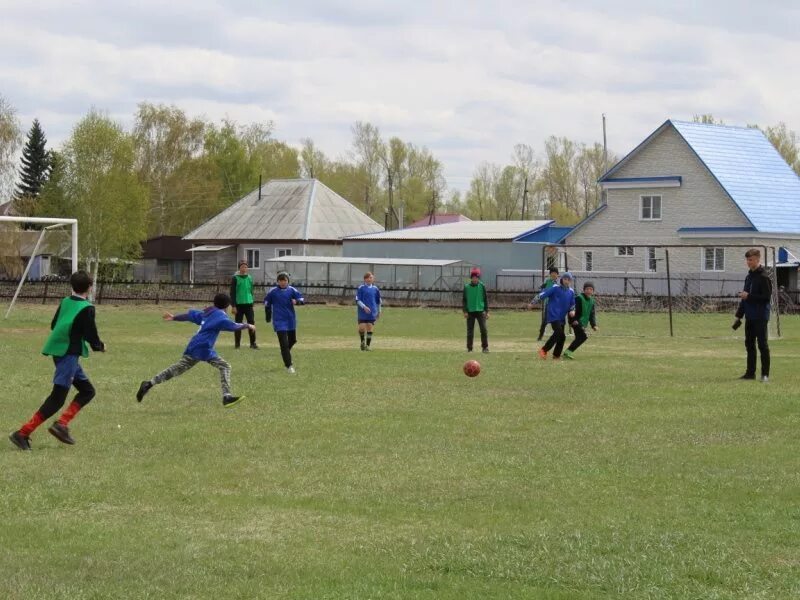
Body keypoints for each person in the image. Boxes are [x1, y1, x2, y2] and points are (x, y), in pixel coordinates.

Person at [9, 270, 105, 450]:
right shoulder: (87, 308)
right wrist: (99, 346)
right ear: (90, 288)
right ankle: (22, 433)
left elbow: (55, 324)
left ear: (72, 286)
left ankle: (62, 424)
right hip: (68, 355)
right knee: (57, 398)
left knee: (87, 391)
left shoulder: (65, 301)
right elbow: (91, 335)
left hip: (60, 352)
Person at [136, 293, 252, 407]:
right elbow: (232, 325)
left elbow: (189, 316)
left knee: (178, 369)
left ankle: (149, 384)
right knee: (224, 366)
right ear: (227, 306)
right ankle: (227, 397)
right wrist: (248, 325)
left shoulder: (208, 313)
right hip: (202, 347)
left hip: (198, 346)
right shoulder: (220, 315)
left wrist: (174, 317)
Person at [733, 248, 772, 382]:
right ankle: (750, 374)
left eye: (751, 260)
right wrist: (739, 316)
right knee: (749, 344)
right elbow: (745, 298)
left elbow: (766, 298)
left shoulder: (764, 277)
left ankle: (765, 375)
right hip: (749, 316)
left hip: (760, 316)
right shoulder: (749, 277)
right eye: (747, 260)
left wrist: (748, 296)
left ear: (757, 259)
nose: (748, 262)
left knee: (762, 345)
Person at [264, 272, 305, 374]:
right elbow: (267, 303)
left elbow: (301, 298)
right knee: (284, 343)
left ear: (288, 281)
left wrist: (297, 302)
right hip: (279, 320)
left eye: (284, 280)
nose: (282, 282)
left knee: (293, 340)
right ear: (278, 281)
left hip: (290, 320)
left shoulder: (292, 290)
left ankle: (284, 352)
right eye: (280, 280)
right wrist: (268, 316)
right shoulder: (273, 291)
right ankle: (289, 365)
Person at [531, 271, 575, 360]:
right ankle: (544, 350)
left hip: (562, 317)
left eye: (568, 280)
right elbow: (543, 294)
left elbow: (572, 304)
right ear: (562, 279)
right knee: (558, 332)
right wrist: (533, 302)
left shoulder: (571, 292)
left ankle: (556, 355)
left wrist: (572, 310)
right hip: (553, 314)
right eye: (565, 279)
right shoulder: (555, 288)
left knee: (562, 337)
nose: (566, 281)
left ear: (570, 281)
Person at [563, 281, 598, 359]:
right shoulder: (579, 298)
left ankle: (567, 353)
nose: (589, 291)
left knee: (580, 337)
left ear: (593, 291)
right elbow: (572, 309)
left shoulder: (592, 301)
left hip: (582, 323)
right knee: (583, 336)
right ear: (584, 290)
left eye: (591, 289)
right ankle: (567, 352)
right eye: (587, 289)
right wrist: (574, 320)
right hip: (575, 321)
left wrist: (594, 325)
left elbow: (592, 314)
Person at [229, 260, 258, 349]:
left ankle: (253, 344)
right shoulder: (235, 278)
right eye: (242, 267)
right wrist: (233, 306)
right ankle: (237, 344)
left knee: (251, 322)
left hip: (248, 304)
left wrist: (252, 302)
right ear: (239, 268)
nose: (244, 268)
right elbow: (232, 293)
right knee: (238, 324)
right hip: (239, 305)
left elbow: (251, 290)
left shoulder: (250, 277)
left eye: (245, 267)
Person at [463, 267, 489, 353]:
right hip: (470, 312)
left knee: (484, 330)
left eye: (476, 277)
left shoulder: (482, 286)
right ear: (471, 278)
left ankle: (485, 348)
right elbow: (464, 300)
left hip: (481, 311)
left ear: (478, 278)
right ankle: (469, 348)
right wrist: (465, 311)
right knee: (470, 331)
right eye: (473, 277)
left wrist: (487, 311)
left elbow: (485, 299)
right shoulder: (466, 287)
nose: (475, 279)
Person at [356, 271, 382, 351]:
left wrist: (379, 311)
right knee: (362, 328)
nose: (371, 279)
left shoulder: (375, 289)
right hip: (362, 312)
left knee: (370, 328)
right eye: (369, 278)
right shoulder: (361, 288)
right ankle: (362, 342)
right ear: (365, 279)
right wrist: (364, 307)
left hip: (372, 312)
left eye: (372, 278)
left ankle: (367, 346)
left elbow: (379, 301)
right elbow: (357, 300)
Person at [537, 267, 560, 341]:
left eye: (555, 273)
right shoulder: (547, 282)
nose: (553, 274)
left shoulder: (560, 283)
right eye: (552, 273)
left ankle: (557, 335)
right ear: (550, 274)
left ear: (558, 275)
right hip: (549, 305)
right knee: (545, 321)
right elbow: (542, 291)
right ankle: (540, 335)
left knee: (557, 322)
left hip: (558, 306)